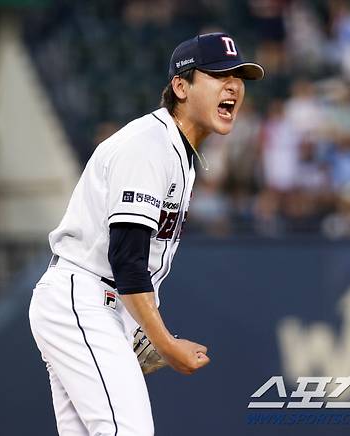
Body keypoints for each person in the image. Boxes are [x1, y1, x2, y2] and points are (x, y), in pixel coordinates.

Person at [28, 32, 263, 435]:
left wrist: (134, 327)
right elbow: (127, 260)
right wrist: (165, 344)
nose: (233, 86)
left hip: (97, 303)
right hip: (83, 298)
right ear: (181, 86)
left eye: (239, 77)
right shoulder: (148, 145)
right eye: (219, 75)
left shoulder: (179, 153)